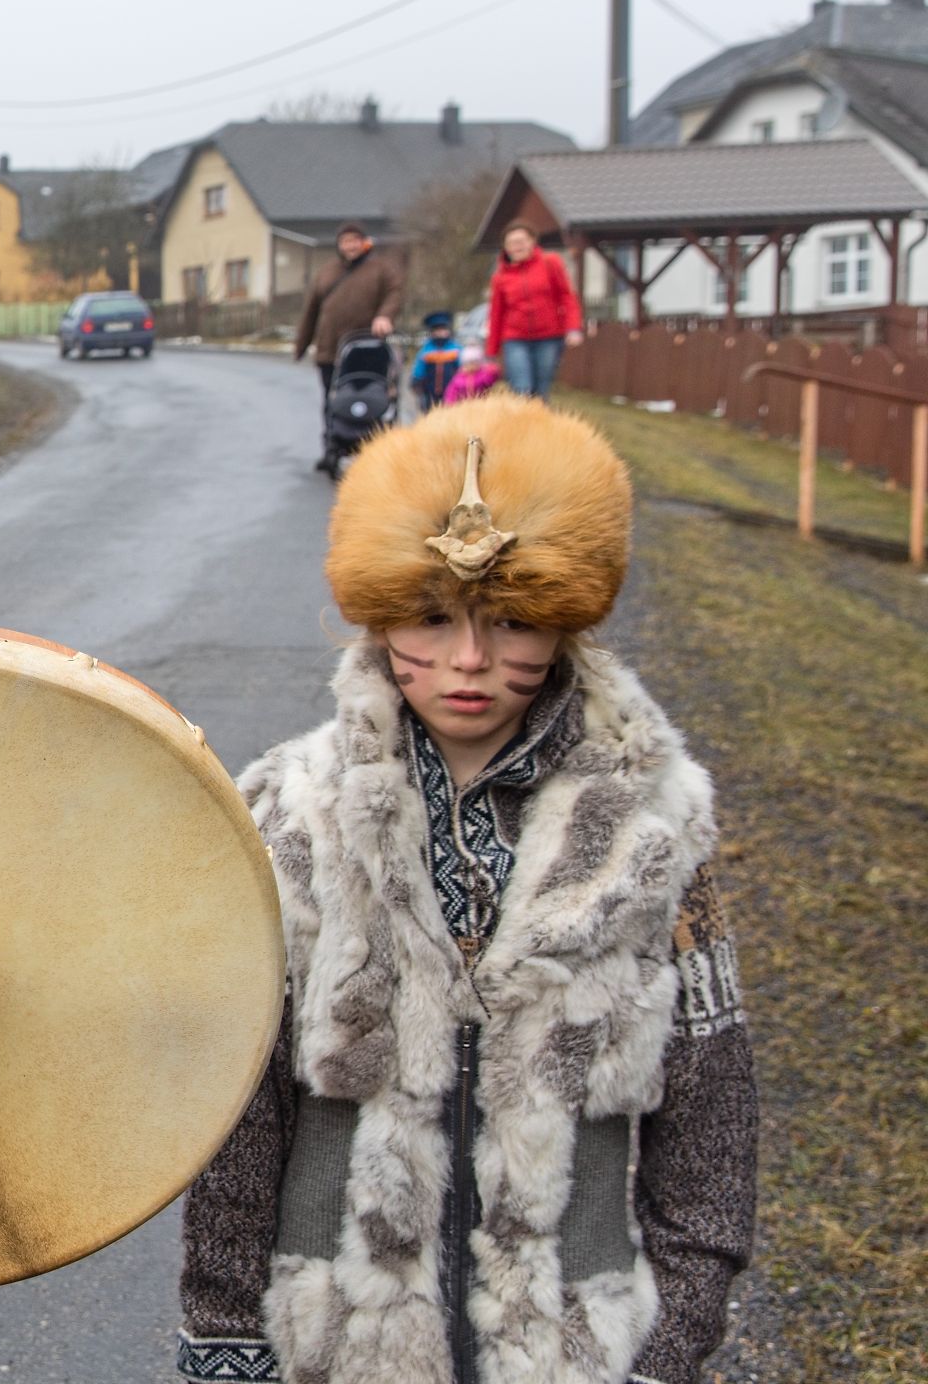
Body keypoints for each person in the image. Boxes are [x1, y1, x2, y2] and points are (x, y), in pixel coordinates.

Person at [176, 393, 756, 1384]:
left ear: (564, 622)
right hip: (339, 1349)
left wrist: (667, 1346)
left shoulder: (652, 829)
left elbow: (709, 1109)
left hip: (576, 1353)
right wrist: (224, 1339)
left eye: (513, 621)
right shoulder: (291, 817)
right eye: (433, 619)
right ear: (379, 616)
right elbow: (238, 1117)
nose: (470, 661)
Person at [295, 222, 404, 472]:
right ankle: (331, 446)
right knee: (332, 400)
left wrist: (385, 316)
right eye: (345, 241)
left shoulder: (381, 269)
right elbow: (311, 310)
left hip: (367, 350)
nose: (350, 245)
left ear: (364, 242)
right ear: (339, 245)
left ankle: (372, 444)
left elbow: (395, 293)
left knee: (371, 397)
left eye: (355, 240)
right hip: (330, 349)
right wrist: (302, 344)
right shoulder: (327, 272)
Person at [484, 221, 584, 399]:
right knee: (521, 388)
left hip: (549, 338)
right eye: (511, 243)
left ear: (532, 242)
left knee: (541, 389)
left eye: (521, 241)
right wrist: (491, 352)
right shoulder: (500, 278)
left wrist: (573, 327)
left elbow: (567, 296)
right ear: (505, 247)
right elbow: (496, 314)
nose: (517, 247)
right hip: (515, 339)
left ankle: (539, 416)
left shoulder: (550, 263)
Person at [409, 309, 461, 412]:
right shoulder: (426, 350)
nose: (440, 333)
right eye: (437, 330)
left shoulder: (456, 349)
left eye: (443, 329)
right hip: (429, 393)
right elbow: (419, 370)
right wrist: (416, 382)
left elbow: (462, 368)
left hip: (452, 392)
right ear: (432, 332)